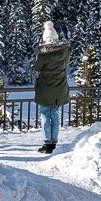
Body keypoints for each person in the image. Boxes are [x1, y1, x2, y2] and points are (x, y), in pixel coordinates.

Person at [34, 21, 70, 154]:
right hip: (59, 89)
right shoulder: (64, 53)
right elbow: (68, 49)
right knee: (55, 114)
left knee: (45, 114)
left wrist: (38, 51)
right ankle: (54, 141)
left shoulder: (43, 55)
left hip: (45, 89)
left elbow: (36, 67)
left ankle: (47, 142)